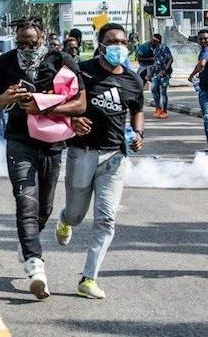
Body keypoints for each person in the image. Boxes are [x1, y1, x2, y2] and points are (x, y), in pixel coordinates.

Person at [0, 16, 86, 300]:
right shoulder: (5, 62)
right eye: (21, 43)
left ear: (43, 38)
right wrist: (6, 98)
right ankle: (35, 265)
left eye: (32, 42)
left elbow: (81, 102)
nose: (27, 47)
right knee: (25, 202)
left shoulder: (61, 59)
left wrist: (43, 106)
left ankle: (28, 242)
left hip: (53, 142)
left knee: (46, 207)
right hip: (19, 142)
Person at [56, 22, 145, 300]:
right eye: (112, 42)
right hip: (82, 153)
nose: (119, 46)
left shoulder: (133, 80)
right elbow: (57, 102)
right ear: (101, 45)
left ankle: (88, 279)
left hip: (115, 157)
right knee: (76, 214)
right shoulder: (82, 72)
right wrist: (72, 118)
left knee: (106, 219)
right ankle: (64, 220)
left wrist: (139, 132)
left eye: (123, 42)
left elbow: (138, 109)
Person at [147, 34, 173, 119]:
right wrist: (150, 74)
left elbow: (170, 58)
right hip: (156, 73)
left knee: (163, 91)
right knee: (154, 88)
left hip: (164, 73)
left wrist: (166, 69)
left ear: (157, 40)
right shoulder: (154, 48)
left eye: (153, 40)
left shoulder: (164, 47)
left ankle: (164, 111)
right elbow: (155, 62)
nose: (151, 41)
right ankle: (158, 108)